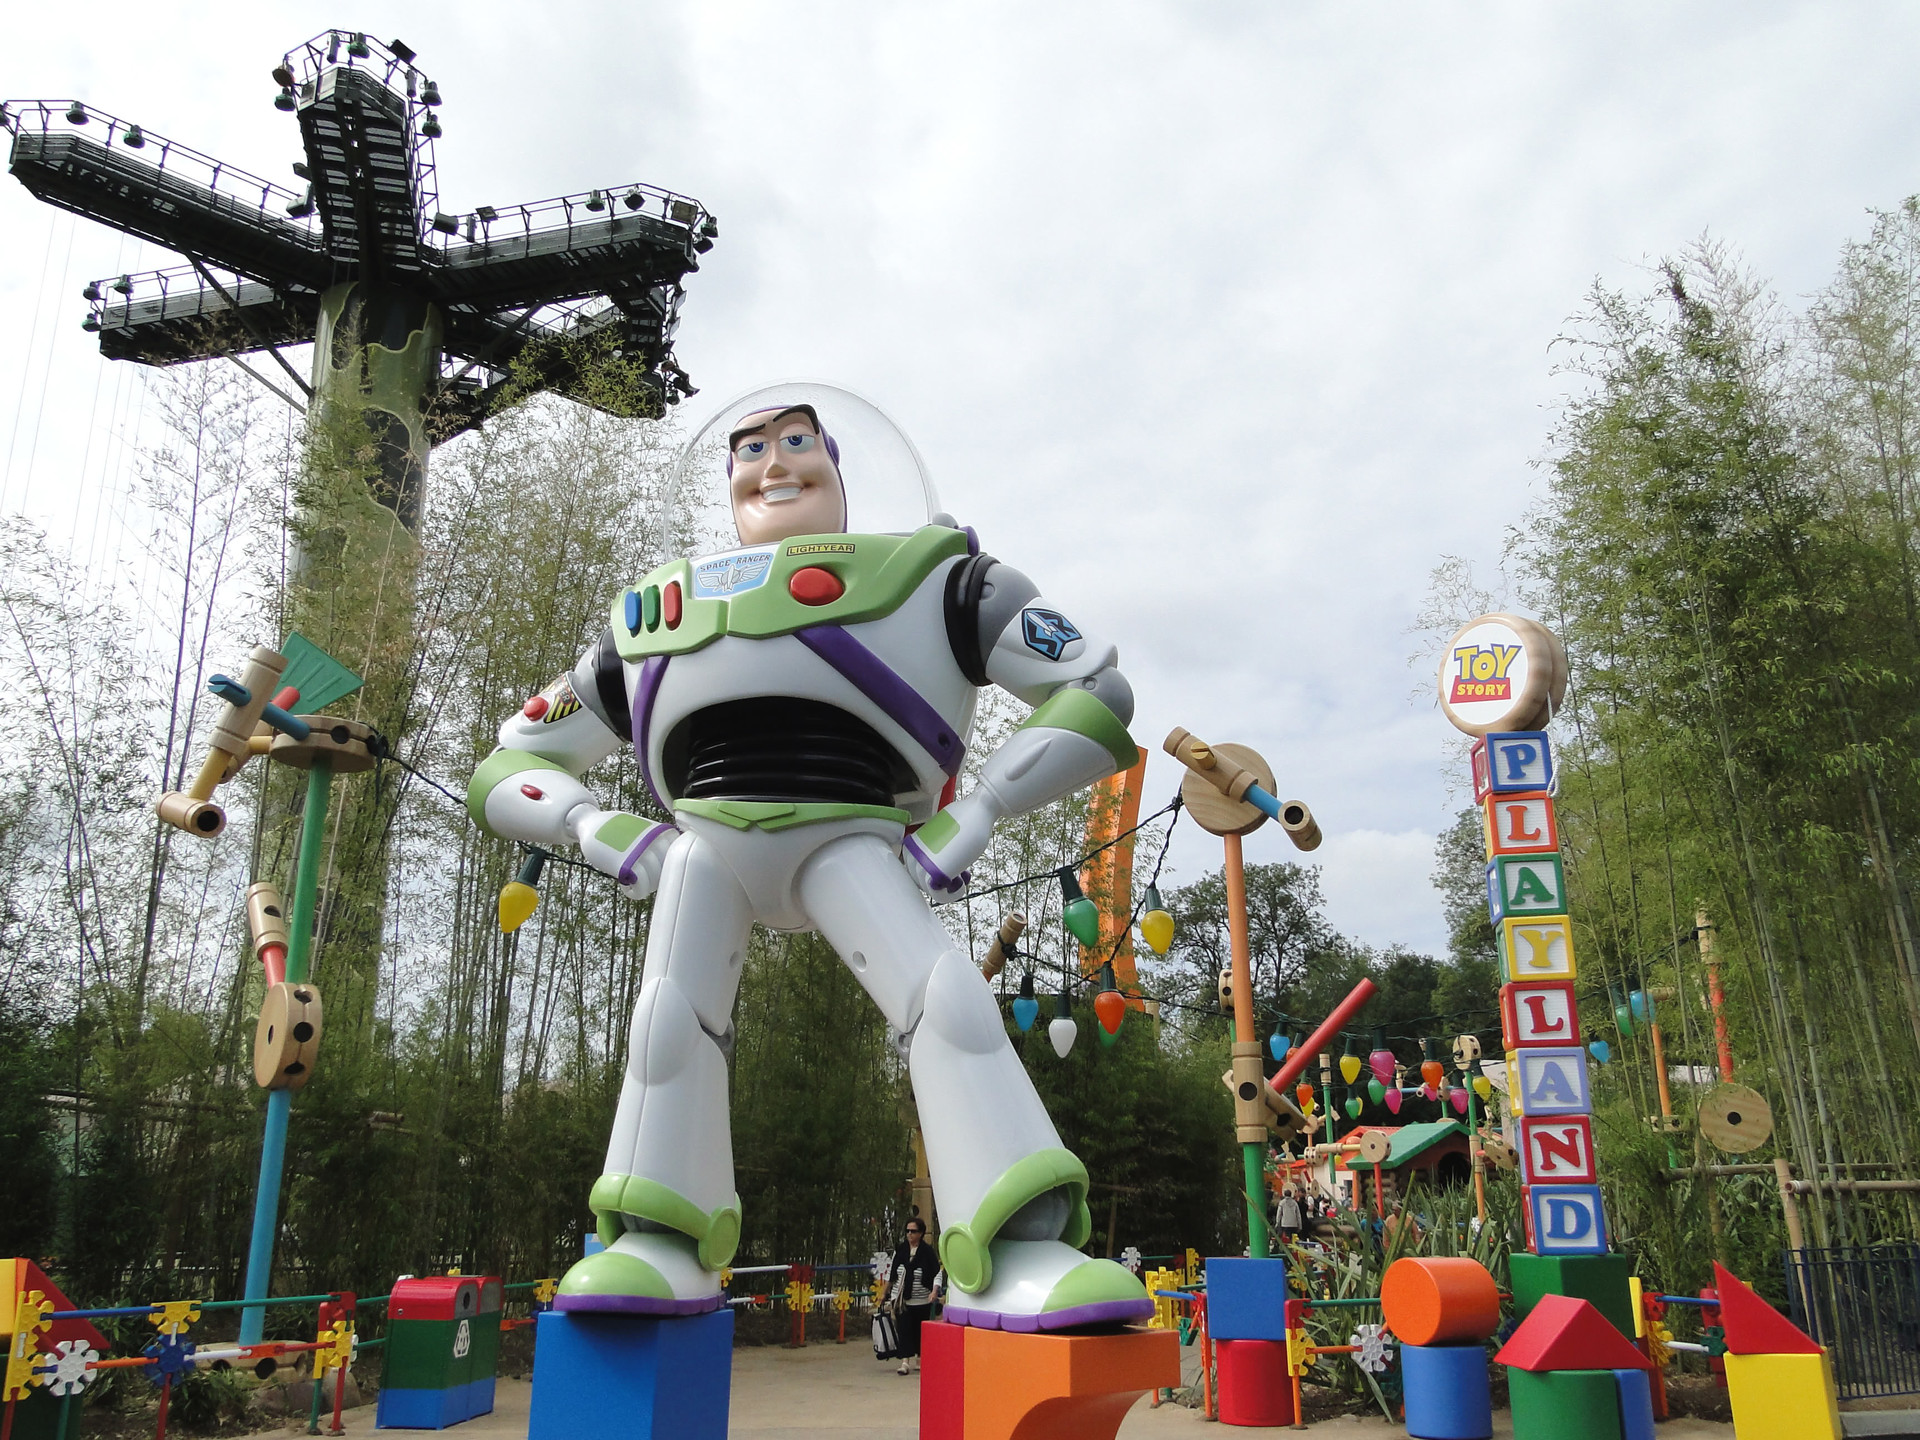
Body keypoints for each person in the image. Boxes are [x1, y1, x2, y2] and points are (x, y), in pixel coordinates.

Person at [467, 386, 1150, 1331]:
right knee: (668, 1020)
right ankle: (661, 1238)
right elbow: (509, 760)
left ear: (838, 462)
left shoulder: (940, 579)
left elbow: (1095, 691)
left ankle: (1014, 1243)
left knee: (947, 1001)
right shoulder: (653, 617)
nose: (773, 462)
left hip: (854, 834)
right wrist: (600, 830)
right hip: (702, 842)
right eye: (749, 448)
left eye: (796, 441)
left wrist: (983, 809)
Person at [886, 1219, 943, 1374]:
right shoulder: (901, 1250)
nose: (910, 1234)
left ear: (921, 1233)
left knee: (919, 1331)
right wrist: (884, 1293)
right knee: (904, 1330)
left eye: (913, 1231)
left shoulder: (927, 1252)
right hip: (902, 1300)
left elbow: (937, 1273)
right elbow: (892, 1274)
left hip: (922, 1299)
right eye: (908, 1231)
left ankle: (920, 1358)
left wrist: (934, 1291)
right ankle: (905, 1362)